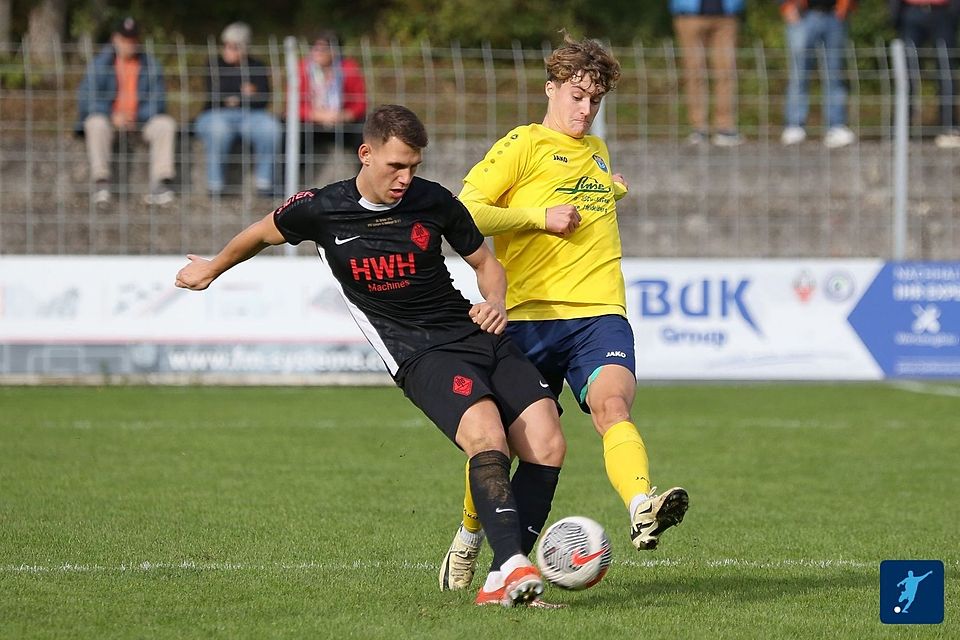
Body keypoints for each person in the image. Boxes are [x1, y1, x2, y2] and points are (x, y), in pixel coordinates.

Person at [175, 104, 566, 608]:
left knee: (548, 444)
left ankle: (497, 579)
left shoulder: (434, 201)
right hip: (419, 353)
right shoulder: (321, 207)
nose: (405, 178)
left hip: (477, 334)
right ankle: (515, 566)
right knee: (487, 436)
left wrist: (494, 303)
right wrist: (212, 268)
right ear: (366, 153)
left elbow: (485, 262)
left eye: (413, 167)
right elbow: (261, 231)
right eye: (395, 166)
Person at [439, 34, 689, 592]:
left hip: (599, 312)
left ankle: (641, 503)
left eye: (594, 101)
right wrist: (537, 217)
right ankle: (470, 532)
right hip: (528, 317)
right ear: (551, 89)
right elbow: (466, 209)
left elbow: (583, 198)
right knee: (512, 444)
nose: (585, 109)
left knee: (613, 404)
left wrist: (610, 189)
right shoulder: (523, 143)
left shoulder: (597, 149)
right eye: (576, 96)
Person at [75, 16, 177, 205]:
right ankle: (101, 182)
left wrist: (137, 116)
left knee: (165, 124)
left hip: (141, 122)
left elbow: (159, 101)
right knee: (95, 123)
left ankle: (161, 183)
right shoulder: (99, 65)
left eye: (133, 39)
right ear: (115, 39)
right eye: (125, 39)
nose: (129, 44)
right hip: (110, 122)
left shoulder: (151, 65)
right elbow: (87, 99)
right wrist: (112, 116)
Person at [194, 22, 282, 198]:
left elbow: (263, 99)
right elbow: (215, 96)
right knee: (218, 130)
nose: (228, 50)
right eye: (226, 45)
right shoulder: (213, 64)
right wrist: (244, 93)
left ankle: (264, 183)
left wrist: (237, 97)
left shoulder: (257, 66)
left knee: (271, 128)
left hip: (251, 116)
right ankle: (215, 185)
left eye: (234, 47)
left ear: (244, 48)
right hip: (216, 116)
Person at [780, 0, 857, 148]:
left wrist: (846, 5)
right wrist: (786, 5)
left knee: (835, 74)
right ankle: (794, 125)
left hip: (834, 15)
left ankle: (836, 125)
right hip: (802, 15)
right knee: (799, 74)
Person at [670, 0, 745, 146]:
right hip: (689, 14)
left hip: (725, 14)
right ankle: (699, 128)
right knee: (694, 73)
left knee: (726, 72)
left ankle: (725, 127)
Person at [888, 0, 960, 148]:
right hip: (910, 11)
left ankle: (949, 127)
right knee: (906, 74)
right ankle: (901, 129)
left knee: (945, 71)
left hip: (943, 11)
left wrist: (954, 11)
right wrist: (895, 13)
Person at [296, 30, 367, 175]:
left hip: (342, 121)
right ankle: (294, 176)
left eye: (323, 48)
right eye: (315, 48)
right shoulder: (303, 68)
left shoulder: (349, 68)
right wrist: (317, 115)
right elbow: (294, 104)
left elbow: (360, 103)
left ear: (335, 51)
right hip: (312, 121)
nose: (317, 52)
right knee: (291, 130)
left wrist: (345, 115)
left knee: (364, 133)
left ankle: (364, 178)